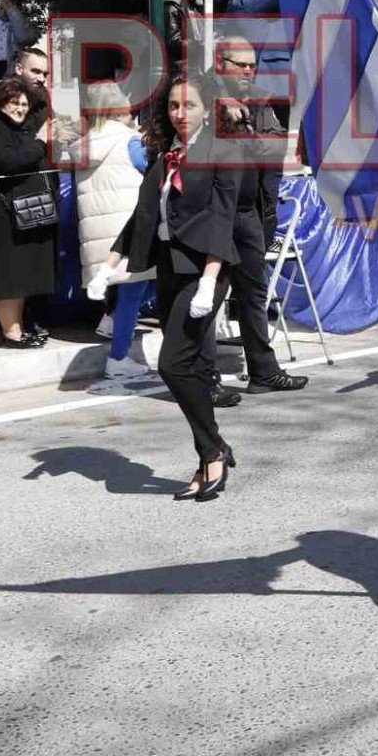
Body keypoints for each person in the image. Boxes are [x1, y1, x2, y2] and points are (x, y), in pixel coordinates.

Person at [98, 74, 241, 500]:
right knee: (192, 366)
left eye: (190, 106)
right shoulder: (166, 157)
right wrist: (107, 266)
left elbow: (221, 219)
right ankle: (210, 453)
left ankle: (212, 449)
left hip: (204, 271)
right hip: (169, 269)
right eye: (174, 106)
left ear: (207, 109)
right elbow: (143, 216)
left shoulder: (223, 152)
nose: (181, 114)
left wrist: (210, 280)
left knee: (173, 364)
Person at [212, 36, 307, 396]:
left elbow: (276, 145)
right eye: (242, 65)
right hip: (216, 211)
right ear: (221, 64)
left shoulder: (259, 98)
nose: (250, 71)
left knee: (254, 293)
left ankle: (263, 371)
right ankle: (202, 377)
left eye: (253, 65)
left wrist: (249, 137)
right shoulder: (203, 95)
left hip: (252, 211)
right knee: (212, 294)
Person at [74, 85, 155, 386]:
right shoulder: (129, 141)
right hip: (130, 228)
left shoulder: (83, 145)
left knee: (132, 289)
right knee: (138, 289)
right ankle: (118, 358)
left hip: (99, 232)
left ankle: (112, 322)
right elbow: (152, 170)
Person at [0, 76, 58, 347]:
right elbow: (10, 161)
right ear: (0, 103)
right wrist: (40, 143)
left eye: (24, 104)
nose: (21, 109)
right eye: (15, 103)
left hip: (23, 213)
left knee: (20, 274)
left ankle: (18, 327)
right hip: (2, 214)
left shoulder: (19, 126)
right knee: (7, 275)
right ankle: (11, 332)